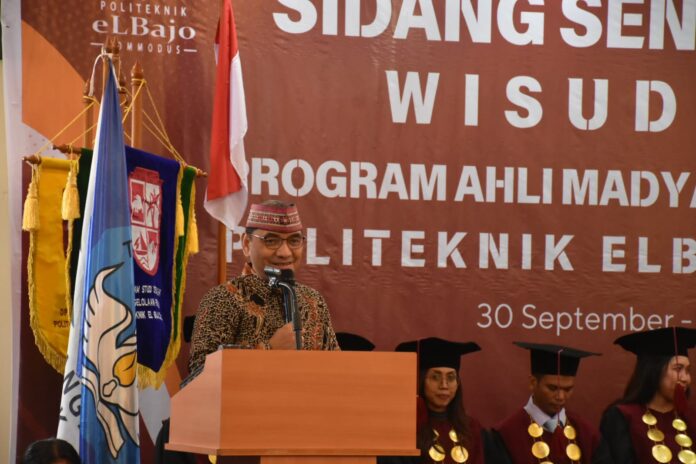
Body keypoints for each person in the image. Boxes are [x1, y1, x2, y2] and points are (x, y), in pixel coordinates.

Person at [188, 200, 339, 372]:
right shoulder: (224, 298)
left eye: (294, 240)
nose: (285, 252)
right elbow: (199, 372)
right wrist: (269, 350)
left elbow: (336, 369)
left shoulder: (313, 302)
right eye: (271, 241)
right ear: (246, 244)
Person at [488, 342, 609, 464]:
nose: (561, 397)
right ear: (533, 383)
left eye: (567, 389)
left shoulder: (588, 434)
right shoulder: (506, 434)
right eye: (552, 388)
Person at [380, 337, 485, 464]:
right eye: (435, 377)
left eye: (451, 377)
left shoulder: (471, 428)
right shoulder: (405, 430)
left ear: (458, 383)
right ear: (421, 381)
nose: (444, 385)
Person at [600, 327, 696, 464]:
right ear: (654, 370)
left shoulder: (690, 418)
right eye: (678, 369)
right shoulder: (624, 416)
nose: (685, 378)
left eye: (688, 370)